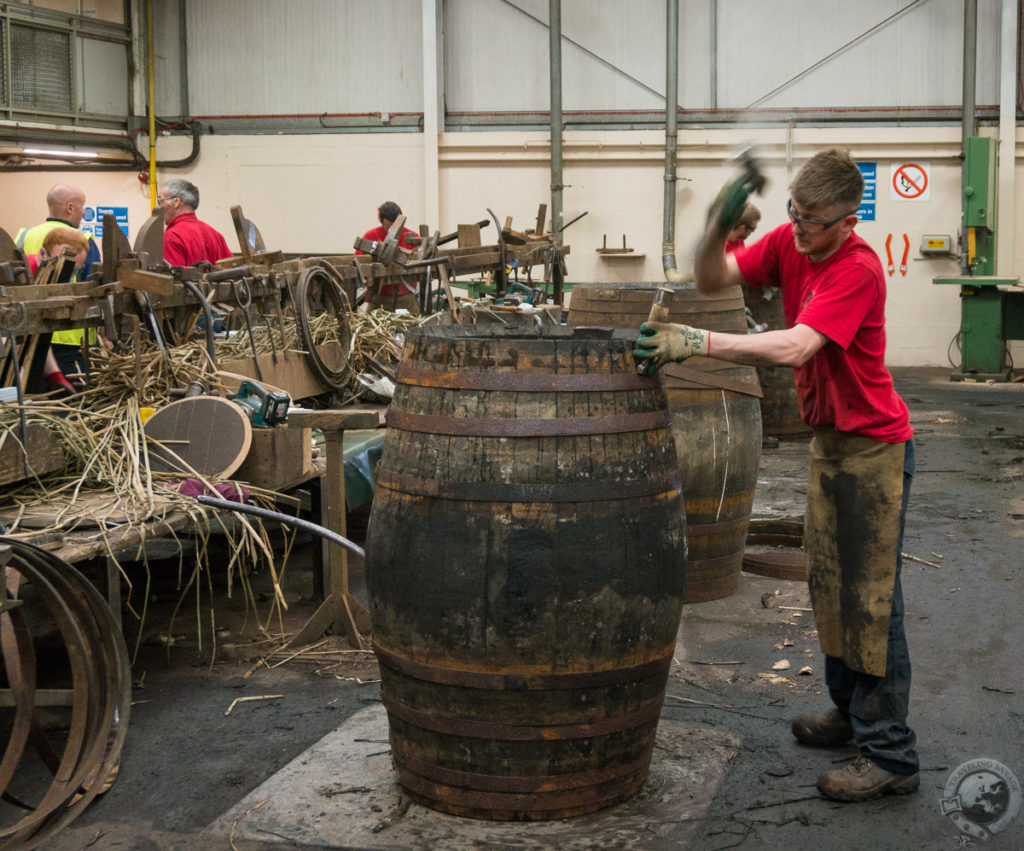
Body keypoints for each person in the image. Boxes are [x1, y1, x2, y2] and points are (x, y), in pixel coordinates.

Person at [634, 148, 918, 803]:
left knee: (872, 601)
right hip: (833, 445)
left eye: (813, 220)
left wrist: (697, 343)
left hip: (875, 448)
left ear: (848, 221)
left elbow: (795, 344)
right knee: (831, 588)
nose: (797, 228)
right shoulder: (793, 244)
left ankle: (892, 752)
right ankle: (853, 716)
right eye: (793, 212)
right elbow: (712, 279)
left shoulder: (857, 268)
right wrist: (714, 228)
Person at [16, 183, 102, 381]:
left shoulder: (23, 235)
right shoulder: (83, 240)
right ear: (70, 207)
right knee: (70, 403)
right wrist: (103, 336)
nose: (83, 212)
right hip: (70, 337)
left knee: (34, 399)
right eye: (82, 207)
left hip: (28, 338)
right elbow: (93, 290)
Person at [355, 201, 420, 315]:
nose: (395, 230)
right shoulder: (370, 237)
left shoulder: (413, 238)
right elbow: (359, 264)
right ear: (381, 220)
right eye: (390, 226)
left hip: (407, 299)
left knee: (415, 330)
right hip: (379, 300)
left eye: (398, 225)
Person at [157, 178, 232, 267]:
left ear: (176, 202)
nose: (158, 206)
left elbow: (172, 279)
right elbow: (231, 269)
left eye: (160, 200)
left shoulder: (172, 237)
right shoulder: (216, 236)